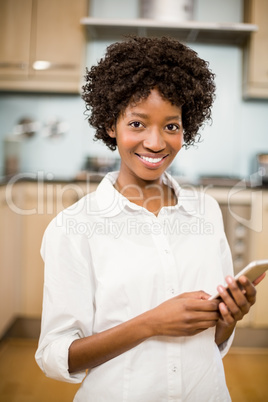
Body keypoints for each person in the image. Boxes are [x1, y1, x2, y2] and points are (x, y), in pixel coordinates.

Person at [35, 36, 262, 401]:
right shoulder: (74, 228)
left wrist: (229, 316)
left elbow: (213, 341)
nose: (156, 143)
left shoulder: (205, 213)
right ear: (111, 124)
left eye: (171, 126)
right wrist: (151, 323)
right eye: (138, 124)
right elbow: (56, 356)